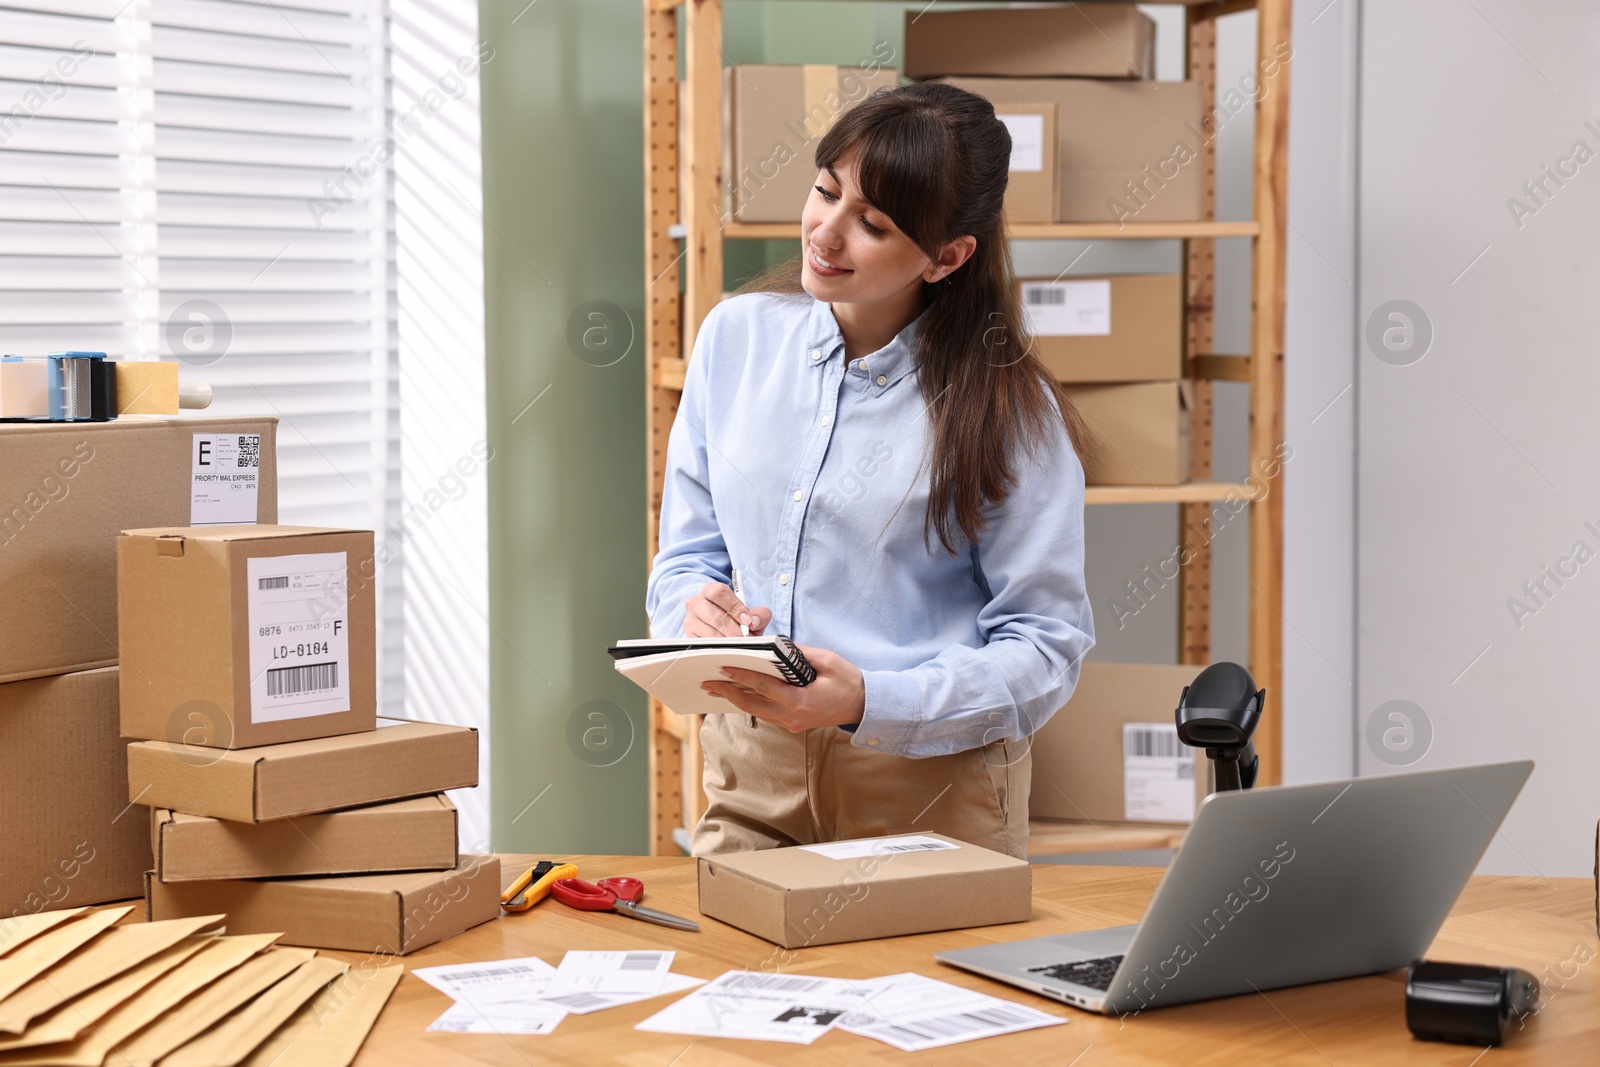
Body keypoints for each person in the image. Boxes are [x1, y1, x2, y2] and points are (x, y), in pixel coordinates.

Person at [645, 81, 1095, 860]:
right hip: (751, 770)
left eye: (873, 223)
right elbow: (687, 556)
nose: (826, 233)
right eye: (825, 191)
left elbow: (1047, 646)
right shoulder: (735, 340)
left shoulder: (1008, 410)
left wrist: (870, 701)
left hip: (926, 789)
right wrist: (695, 614)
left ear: (947, 256)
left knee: (923, 986)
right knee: (735, 976)